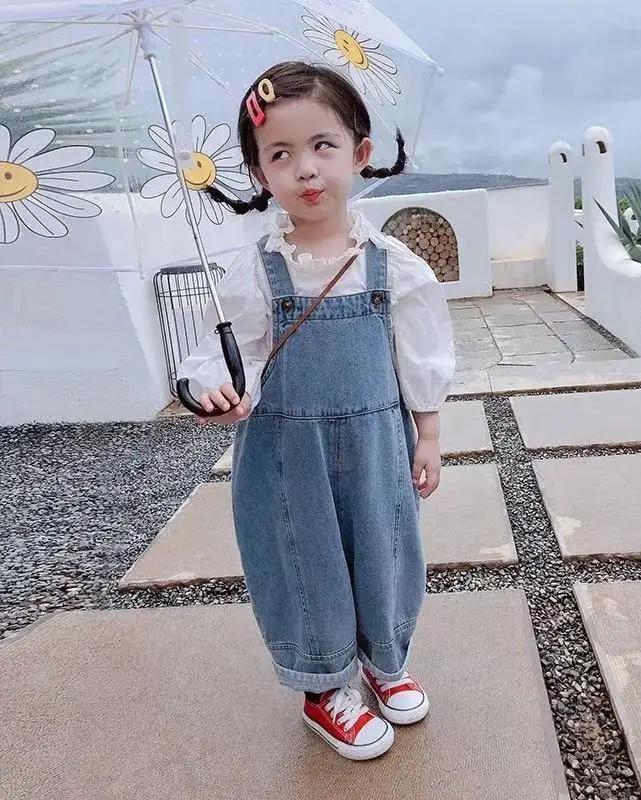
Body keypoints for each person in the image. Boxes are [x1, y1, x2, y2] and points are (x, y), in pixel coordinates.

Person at [177, 60, 455, 761]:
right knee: (305, 562)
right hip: (286, 455)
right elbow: (226, 353)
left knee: (385, 549)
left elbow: (421, 356)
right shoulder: (255, 272)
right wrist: (216, 391)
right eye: (280, 154)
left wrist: (427, 434)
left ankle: (382, 659)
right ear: (258, 173)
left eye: (322, 146)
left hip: (376, 444)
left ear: (360, 152)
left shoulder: (392, 265)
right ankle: (323, 686)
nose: (304, 168)